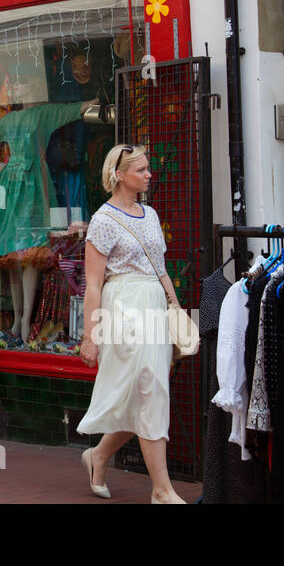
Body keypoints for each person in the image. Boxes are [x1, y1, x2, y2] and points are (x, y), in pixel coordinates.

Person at [75, 143, 184, 504]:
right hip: (122, 309)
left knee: (145, 393)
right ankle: (162, 490)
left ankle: (99, 456)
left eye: (148, 168)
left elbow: (161, 269)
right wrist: (90, 336)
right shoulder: (103, 221)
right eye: (141, 170)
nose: (149, 174)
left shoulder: (149, 215)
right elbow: (93, 284)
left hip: (153, 305)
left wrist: (176, 310)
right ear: (119, 175)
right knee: (148, 390)